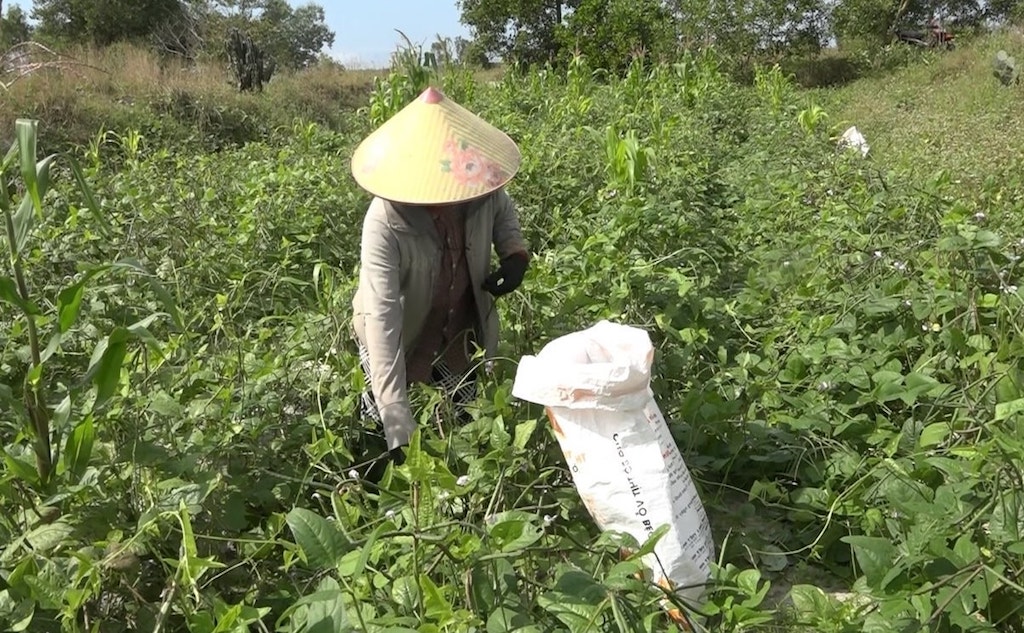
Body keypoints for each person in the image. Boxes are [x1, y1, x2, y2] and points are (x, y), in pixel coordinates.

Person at [348, 86, 531, 474]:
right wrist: (397, 422)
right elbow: (382, 319)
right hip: (402, 329)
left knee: (463, 416)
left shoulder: (478, 185)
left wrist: (514, 253)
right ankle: (373, 474)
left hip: (458, 326)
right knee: (381, 424)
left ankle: (461, 480)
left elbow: (502, 210)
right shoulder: (385, 221)